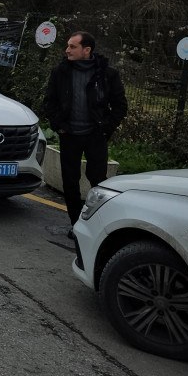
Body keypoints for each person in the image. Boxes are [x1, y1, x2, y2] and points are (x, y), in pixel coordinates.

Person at [43, 31, 128, 237]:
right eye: (68, 46)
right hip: (69, 134)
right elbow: (49, 102)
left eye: (72, 47)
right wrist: (59, 125)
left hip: (95, 135)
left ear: (86, 50)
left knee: (98, 180)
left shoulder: (107, 74)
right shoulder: (60, 72)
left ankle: (98, 223)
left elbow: (120, 105)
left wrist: (106, 128)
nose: (67, 50)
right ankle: (76, 224)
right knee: (69, 181)